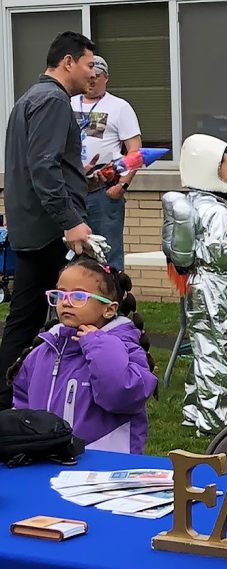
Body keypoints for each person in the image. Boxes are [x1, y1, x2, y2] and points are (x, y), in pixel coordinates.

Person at [0, 31, 96, 410]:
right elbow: (42, 167)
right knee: (81, 307)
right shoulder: (53, 101)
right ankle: (75, 392)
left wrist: (84, 176)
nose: (93, 73)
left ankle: (13, 396)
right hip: (49, 230)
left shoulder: (29, 98)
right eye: (89, 64)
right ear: (68, 62)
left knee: (25, 317)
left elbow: (38, 164)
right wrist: (70, 221)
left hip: (30, 226)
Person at [161, 134, 227, 436]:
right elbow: (224, 255)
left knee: (200, 347)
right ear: (212, 170)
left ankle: (192, 412)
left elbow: (207, 246)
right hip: (214, 287)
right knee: (218, 351)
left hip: (193, 284)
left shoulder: (192, 204)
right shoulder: (217, 210)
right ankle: (213, 422)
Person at [7, 257, 157, 453]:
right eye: (60, 294)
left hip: (105, 468)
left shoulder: (124, 347)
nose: (65, 303)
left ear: (109, 309)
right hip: (47, 460)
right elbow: (22, 400)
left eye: (78, 296)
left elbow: (122, 395)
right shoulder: (44, 350)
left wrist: (97, 344)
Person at [74, 55, 142, 271]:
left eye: (98, 76)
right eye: (89, 75)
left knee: (107, 252)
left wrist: (122, 185)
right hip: (72, 189)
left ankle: (113, 299)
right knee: (73, 251)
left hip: (103, 188)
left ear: (106, 78)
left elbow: (134, 150)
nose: (92, 80)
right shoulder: (67, 102)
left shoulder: (119, 107)